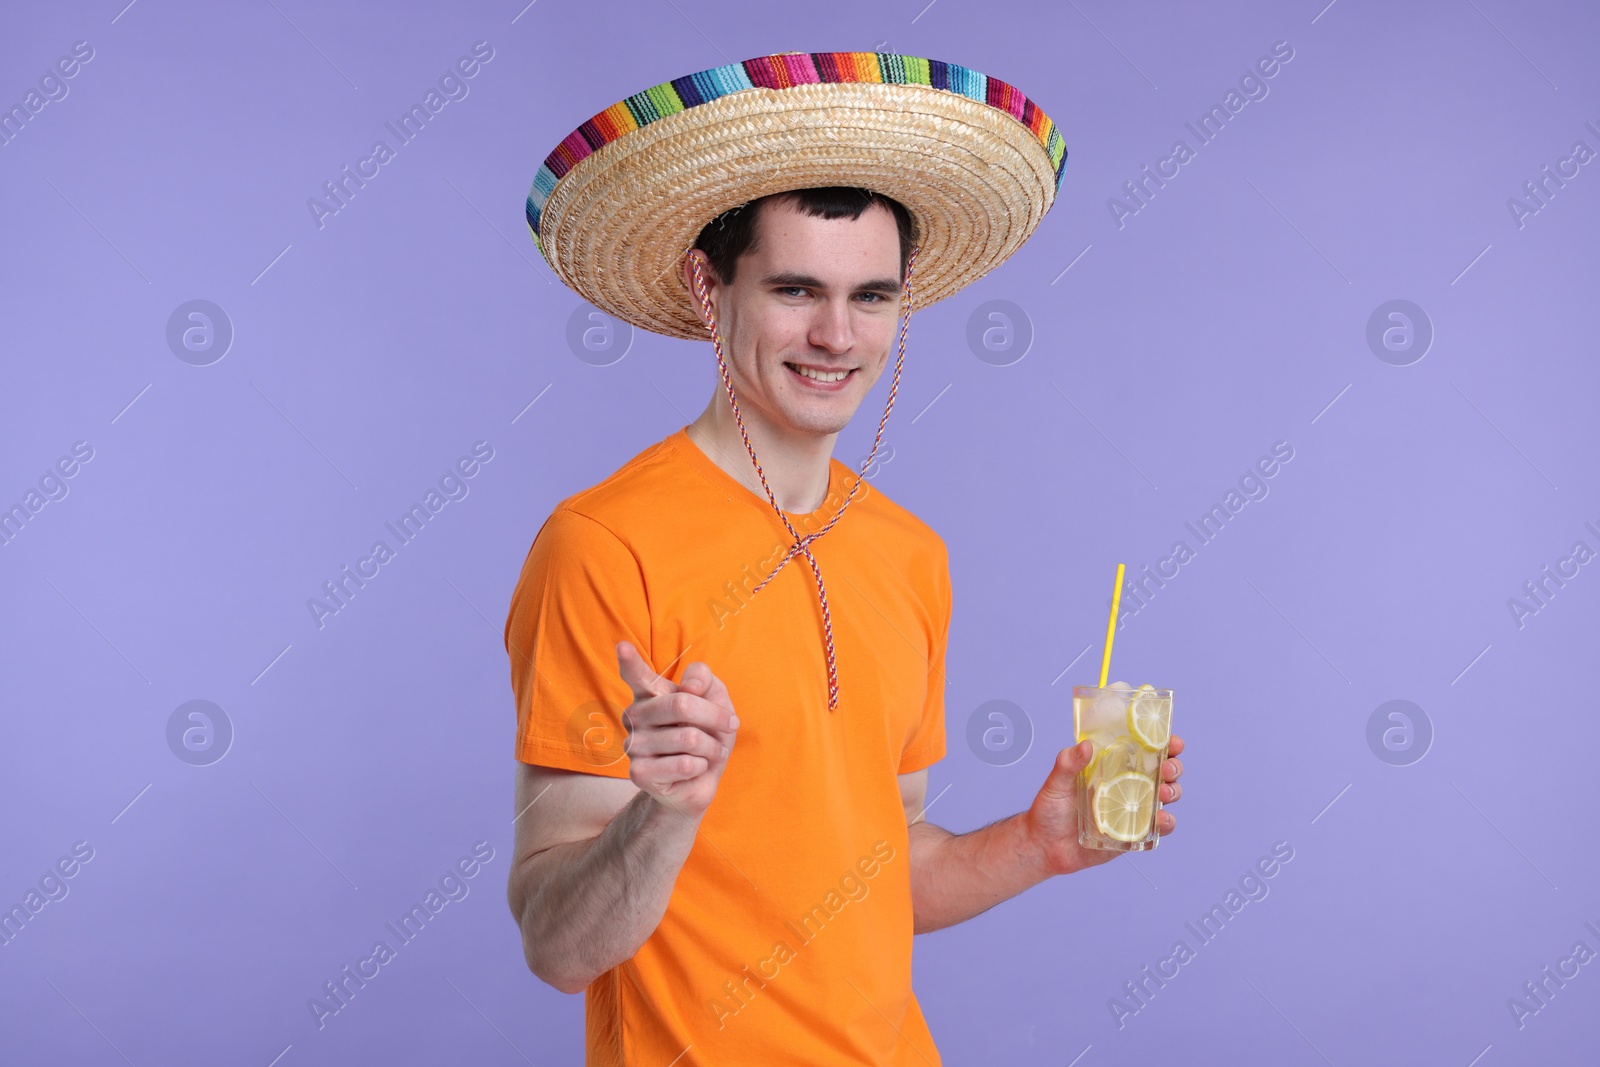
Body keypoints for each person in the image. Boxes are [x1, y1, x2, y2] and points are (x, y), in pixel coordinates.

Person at [503, 51, 1185, 1065]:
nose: (835, 334)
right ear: (708, 285)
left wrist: (1040, 844)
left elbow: (883, 869)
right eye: (794, 289)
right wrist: (666, 812)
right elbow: (560, 946)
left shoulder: (910, 554)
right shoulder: (603, 544)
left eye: (871, 296)